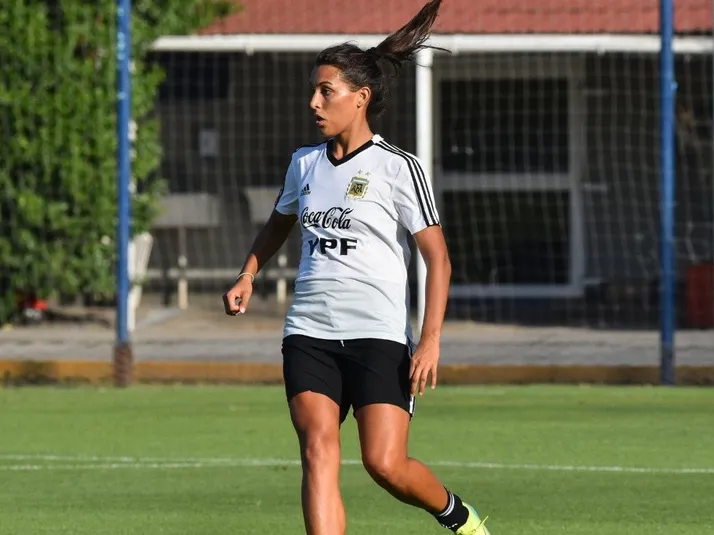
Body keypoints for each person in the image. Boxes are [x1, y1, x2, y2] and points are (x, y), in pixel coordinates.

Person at [222, 1, 491, 533]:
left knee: (384, 464)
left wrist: (430, 340)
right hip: (309, 333)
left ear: (361, 97)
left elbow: (438, 259)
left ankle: (458, 517)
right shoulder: (304, 163)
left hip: (379, 337)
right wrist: (248, 273)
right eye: (314, 91)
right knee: (318, 451)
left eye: (326, 91)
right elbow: (278, 224)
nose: (313, 102)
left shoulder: (398, 168)